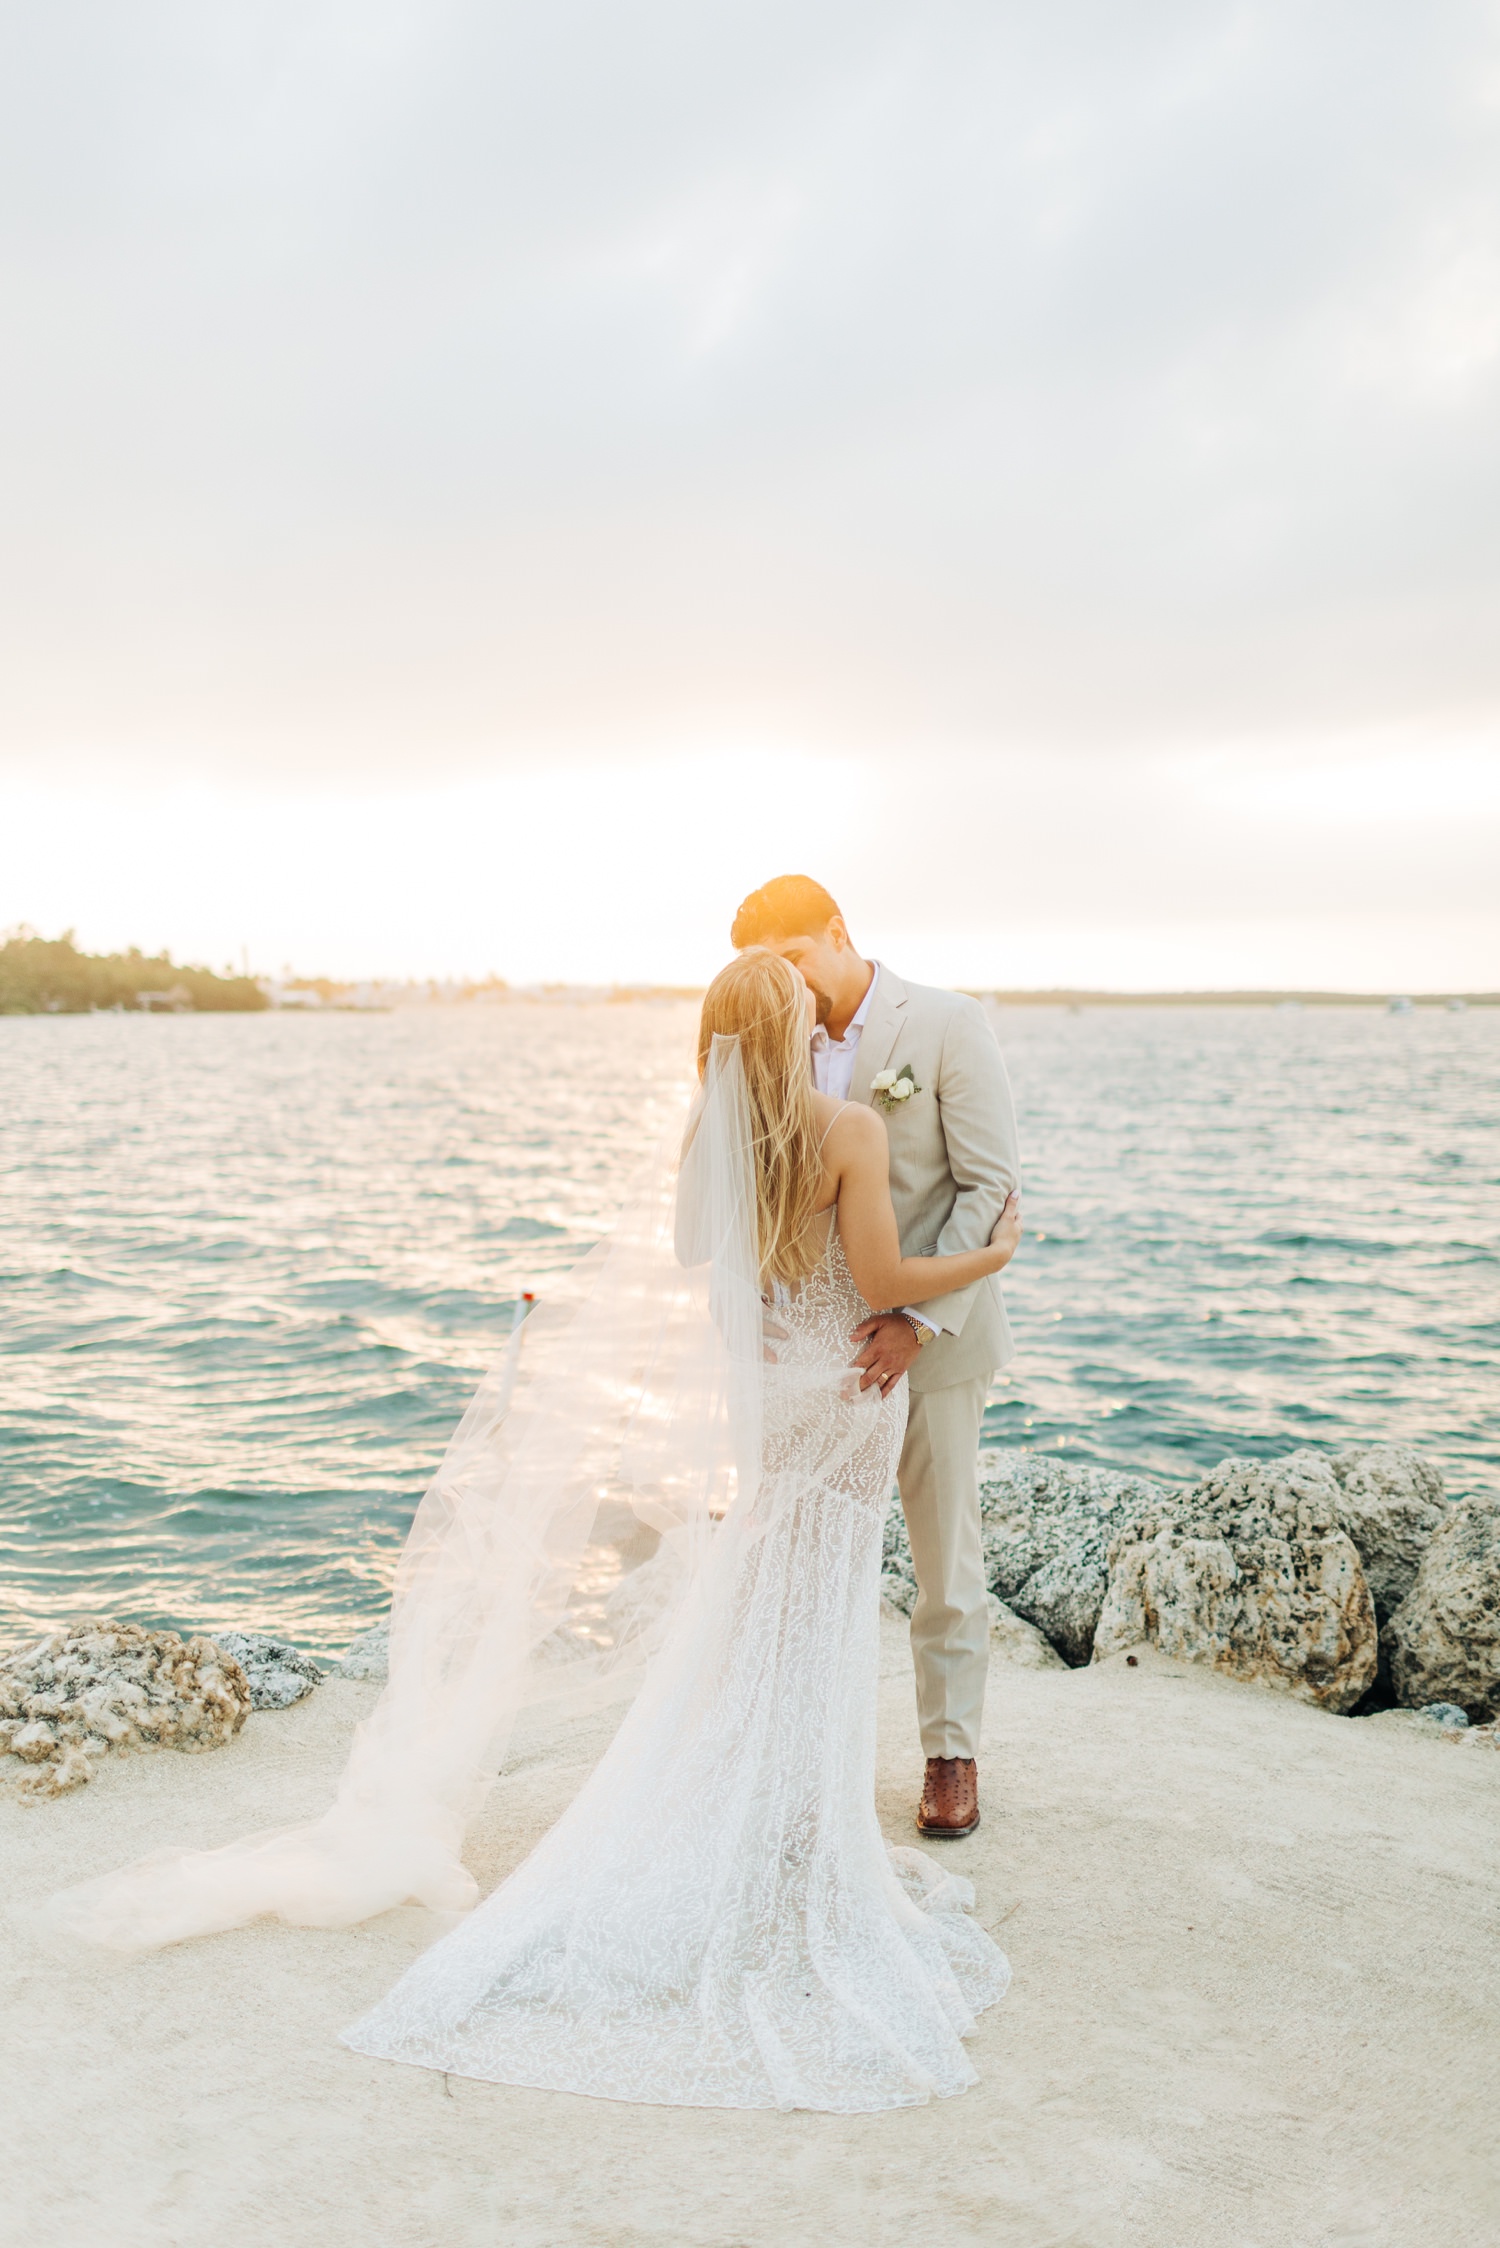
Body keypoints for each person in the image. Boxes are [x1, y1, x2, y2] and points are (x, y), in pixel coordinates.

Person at [52, 951, 1021, 2114]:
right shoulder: (849, 1128)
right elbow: (880, 1271)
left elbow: (690, 1257)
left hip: (777, 1401)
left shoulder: (712, 1133)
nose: (822, 1006)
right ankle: (797, 1848)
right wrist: (990, 1254)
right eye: (802, 1002)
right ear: (786, 1025)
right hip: (847, 1397)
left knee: (768, 1608)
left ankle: (774, 1832)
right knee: (813, 1620)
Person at [731, 876, 1021, 1841]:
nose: (792, 988)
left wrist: (917, 1317)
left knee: (944, 1561)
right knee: (803, 1561)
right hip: (815, 1361)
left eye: (797, 961)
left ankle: (949, 1757)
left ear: (838, 932)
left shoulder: (945, 1024)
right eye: (770, 973)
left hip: (927, 1344)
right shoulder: (770, 1043)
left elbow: (987, 1187)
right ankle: (803, 1759)